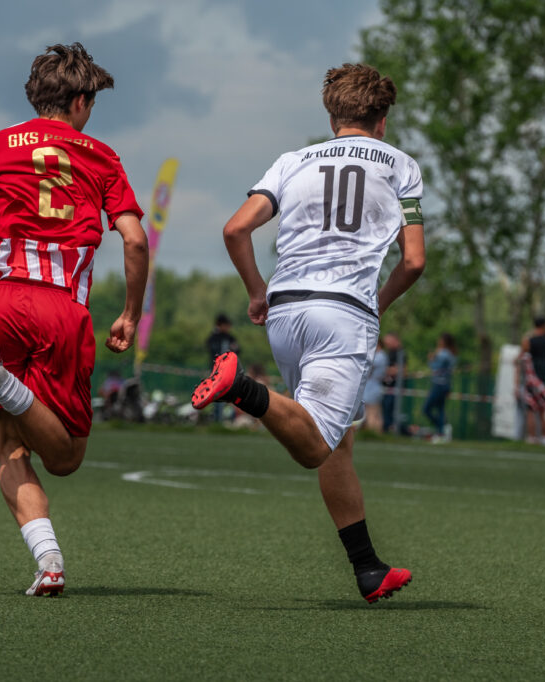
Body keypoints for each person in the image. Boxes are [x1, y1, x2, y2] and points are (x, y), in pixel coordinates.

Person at [191, 63, 425, 603]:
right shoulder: (401, 166)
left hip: (285, 312)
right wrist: (378, 304)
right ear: (383, 121)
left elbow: (235, 228)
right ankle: (242, 389)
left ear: (331, 116)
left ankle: (368, 568)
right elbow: (413, 261)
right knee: (316, 446)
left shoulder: (293, 161)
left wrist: (257, 291)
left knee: (337, 442)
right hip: (343, 315)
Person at [0, 43, 149, 597]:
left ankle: (49, 561)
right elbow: (134, 239)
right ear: (80, 100)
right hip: (60, 308)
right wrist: (130, 314)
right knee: (66, 457)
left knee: (9, 448)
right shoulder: (101, 156)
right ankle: (2, 382)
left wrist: (2, 238)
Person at [518, 315, 545, 444]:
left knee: (531, 410)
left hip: (532, 379)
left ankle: (532, 437)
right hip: (544, 379)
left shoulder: (530, 341)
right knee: (543, 411)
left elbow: (521, 356)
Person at [206, 314, 240, 422]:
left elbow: (238, 350)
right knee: (216, 394)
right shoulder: (214, 338)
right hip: (216, 370)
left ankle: (225, 418)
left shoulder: (229, 337)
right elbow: (213, 351)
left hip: (228, 370)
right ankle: (217, 419)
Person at [423, 333, 457, 442]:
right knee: (440, 409)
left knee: (426, 409)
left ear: (443, 341)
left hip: (439, 384)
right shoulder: (451, 354)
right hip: (445, 385)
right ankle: (442, 431)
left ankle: (441, 429)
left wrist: (431, 359)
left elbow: (435, 368)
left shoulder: (443, 354)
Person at [361, 339, 388, 432]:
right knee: (373, 412)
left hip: (373, 387)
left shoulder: (380, 356)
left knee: (372, 412)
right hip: (371, 386)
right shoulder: (378, 355)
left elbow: (368, 364)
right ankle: (375, 432)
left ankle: (372, 432)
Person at [380, 333, 404, 434]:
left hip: (394, 387)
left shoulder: (400, 353)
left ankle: (390, 428)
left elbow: (401, 370)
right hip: (386, 387)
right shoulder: (388, 353)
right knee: (385, 408)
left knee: (390, 408)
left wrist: (384, 370)